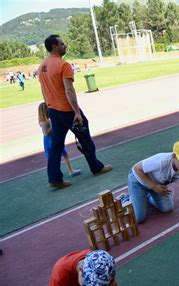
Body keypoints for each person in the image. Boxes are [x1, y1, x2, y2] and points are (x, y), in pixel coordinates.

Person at [39, 35, 112, 189]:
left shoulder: (42, 66)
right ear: (54, 46)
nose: (65, 46)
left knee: (56, 145)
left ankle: (54, 179)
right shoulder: (63, 65)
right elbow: (69, 90)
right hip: (67, 110)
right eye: (62, 44)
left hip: (53, 110)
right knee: (85, 137)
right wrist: (77, 112)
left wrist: (49, 107)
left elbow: (43, 90)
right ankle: (96, 167)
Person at [38, 102, 81, 177]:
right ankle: (55, 173)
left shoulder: (47, 120)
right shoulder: (44, 122)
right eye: (47, 109)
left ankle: (70, 170)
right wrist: (52, 126)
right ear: (44, 110)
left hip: (53, 138)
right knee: (54, 156)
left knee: (64, 154)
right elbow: (46, 133)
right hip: (49, 140)